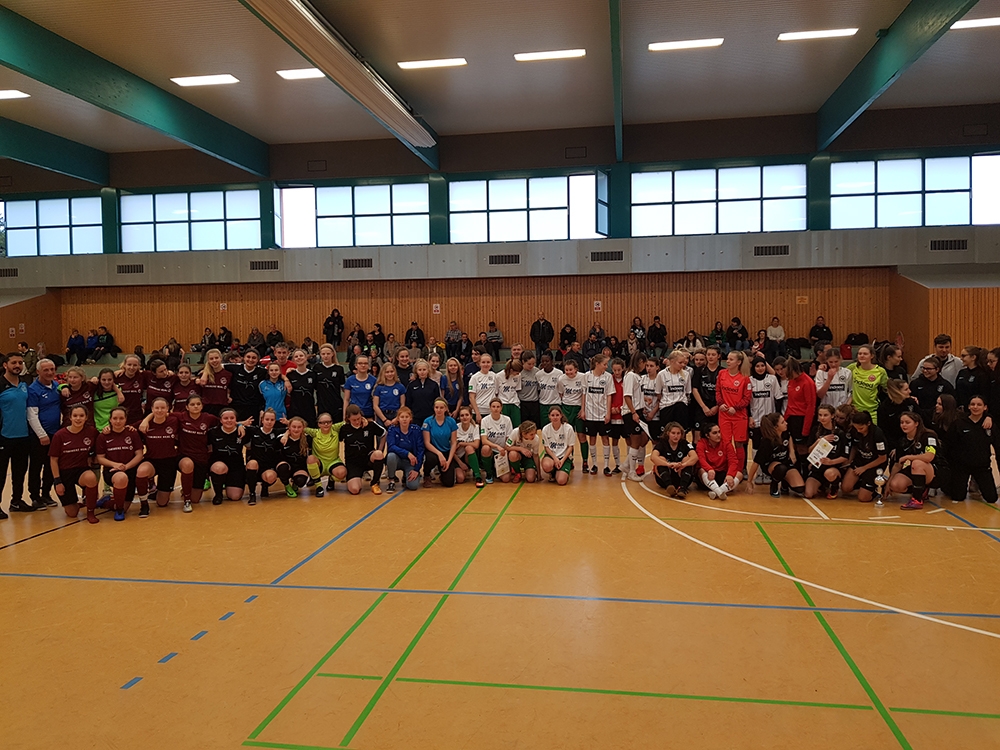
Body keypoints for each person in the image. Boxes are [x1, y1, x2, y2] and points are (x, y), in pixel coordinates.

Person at [97, 407, 152, 521]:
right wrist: (115, 465)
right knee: (121, 477)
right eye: (115, 418)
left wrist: (126, 467)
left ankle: (107, 502)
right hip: (112, 471)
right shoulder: (104, 436)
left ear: (126, 419)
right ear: (110, 419)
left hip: (130, 470)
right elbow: (100, 458)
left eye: (121, 418)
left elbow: (139, 455)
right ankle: (119, 511)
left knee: (125, 505)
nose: (118, 421)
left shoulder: (132, 433)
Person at [48, 405, 100, 522]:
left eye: (81, 416)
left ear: (86, 417)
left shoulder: (91, 432)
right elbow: (53, 460)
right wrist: (57, 482)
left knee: (91, 478)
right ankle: (75, 504)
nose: (78, 418)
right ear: (70, 417)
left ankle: (90, 512)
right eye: (75, 416)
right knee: (72, 513)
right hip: (64, 473)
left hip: (81, 470)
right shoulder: (60, 435)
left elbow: (100, 444)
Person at [0, 352, 37, 516]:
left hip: (23, 436)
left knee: (20, 471)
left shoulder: (25, 383)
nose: (18, 366)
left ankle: (16, 501)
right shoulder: (0, 384)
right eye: (14, 362)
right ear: (5, 365)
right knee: (1, 473)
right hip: (4, 437)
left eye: (20, 363)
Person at [942, 396, 997, 504]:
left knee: (992, 498)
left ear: (985, 407)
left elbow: (997, 445)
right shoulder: (958, 423)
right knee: (957, 497)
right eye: (972, 404)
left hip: (982, 467)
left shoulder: (989, 425)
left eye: (979, 405)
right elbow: (948, 445)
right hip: (961, 466)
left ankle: (975, 484)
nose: (975, 407)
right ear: (968, 406)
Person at [26, 358, 61, 510]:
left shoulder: (57, 386)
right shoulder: (33, 390)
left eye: (52, 369)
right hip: (39, 436)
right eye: (46, 370)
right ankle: (35, 496)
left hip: (55, 434)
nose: (50, 372)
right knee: (36, 466)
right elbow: (31, 415)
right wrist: (41, 434)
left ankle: (46, 493)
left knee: (51, 465)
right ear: (38, 372)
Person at [175, 395, 219, 512]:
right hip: (184, 455)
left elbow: (225, 421)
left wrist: (240, 425)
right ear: (187, 407)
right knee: (188, 464)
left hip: (201, 458)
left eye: (198, 404)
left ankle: (188, 491)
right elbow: (161, 414)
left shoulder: (208, 418)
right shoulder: (180, 416)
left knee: (196, 499)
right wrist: (146, 420)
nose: (195, 406)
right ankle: (186, 501)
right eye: (192, 404)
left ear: (202, 406)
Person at [137, 398, 180, 515]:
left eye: (162, 408)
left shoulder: (174, 420)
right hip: (152, 460)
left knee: (162, 503)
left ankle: (157, 492)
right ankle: (144, 505)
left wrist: (147, 417)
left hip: (169, 462)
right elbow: (126, 429)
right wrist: (108, 428)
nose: (159, 410)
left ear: (168, 409)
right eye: (156, 408)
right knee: (141, 471)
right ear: (152, 409)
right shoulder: (144, 424)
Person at [746, 413, 804, 497]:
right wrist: (749, 481)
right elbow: (756, 462)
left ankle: (784, 484)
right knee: (781, 468)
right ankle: (774, 485)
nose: (786, 423)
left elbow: (789, 437)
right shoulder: (767, 442)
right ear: (776, 427)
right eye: (782, 422)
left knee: (800, 488)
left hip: (785, 462)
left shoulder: (785, 432)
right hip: (771, 465)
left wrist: (792, 451)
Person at [889, 412, 938, 510]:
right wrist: (888, 483)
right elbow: (898, 464)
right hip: (915, 470)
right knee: (895, 485)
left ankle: (917, 500)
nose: (904, 425)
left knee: (917, 462)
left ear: (916, 423)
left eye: (907, 422)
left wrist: (908, 457)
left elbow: (929, 457)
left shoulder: (929, 436)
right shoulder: (902, 441)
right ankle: (921, 490)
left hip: (936, 470)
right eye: (902, 422)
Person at [803, 405, 850, 500]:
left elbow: (845, 456)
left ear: (832, 416)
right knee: (808, 494)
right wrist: (819, 441)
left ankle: (834, 487)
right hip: (818, 468)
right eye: (820, 415)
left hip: (832, 467)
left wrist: (830, 462)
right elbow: (809, 450)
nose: (822, 418)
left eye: (825, 415)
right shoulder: (815, 430)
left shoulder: (840, 433)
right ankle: (823, 485)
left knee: (830, 474)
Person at [841, 411, 888, 503]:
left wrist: (864, 468)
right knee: (846, 488)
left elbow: (883, 458)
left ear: (868, 424)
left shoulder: (877, 434)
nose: (858, 431)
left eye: (861, 428)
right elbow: (854, 447)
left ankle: (877, 487)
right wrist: (849, 461)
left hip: (875, 464)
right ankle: (862, 483)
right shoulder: (854, 431)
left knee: (863, 498)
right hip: (860, 461)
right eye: (856, 428)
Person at [716, 351, 752, 471]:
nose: (728, 361)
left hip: (739, 416)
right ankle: (727, 469)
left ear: (739, 362)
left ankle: (739, 471)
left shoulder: (745, 378)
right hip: (724, 415)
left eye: (731, 359)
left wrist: (735, 408)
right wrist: (721, 404)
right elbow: (718, 391)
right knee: (725, 444)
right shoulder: (722, 373)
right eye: (727, 359)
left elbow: (747, 398)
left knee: (739, 444)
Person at [339, 405, 386, 495]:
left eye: (359, 418)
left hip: (368, 459)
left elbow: (384, 433)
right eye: (354, 420)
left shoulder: (370, 425)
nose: (357, 422)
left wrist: (380, 450)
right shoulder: (344, 428)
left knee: (378, 454)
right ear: (348, 418)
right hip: (353, 463)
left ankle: (375, 483)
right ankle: (354, 478)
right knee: (354, 490)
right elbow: (337, 438)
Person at [581, 354, 615, 476]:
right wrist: (583, 410)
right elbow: (584, 394)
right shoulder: (586, 376)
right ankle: (594, 464)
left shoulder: (608, 377)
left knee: (605, 439)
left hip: (603, 414)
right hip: (590, 413)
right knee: (592, 439)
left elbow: (609, 395)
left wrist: (608, 413)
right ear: (597, 364)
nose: (606, 366)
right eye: (604, 364)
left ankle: (606, 466)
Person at [206, 408, 248, 505]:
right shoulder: (213, 433)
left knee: (235, 497)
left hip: (236, 467)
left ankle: (229, 482)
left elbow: (250, 448)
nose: (229, 420)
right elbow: (208, 450)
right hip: (219, 464)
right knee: (219, 467)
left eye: (232, 418)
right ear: (221, 420)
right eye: (225, 418)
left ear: (236, 420)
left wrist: (240, 425)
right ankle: (218, 494)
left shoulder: (242, 432)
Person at [243, 408, 285, 503]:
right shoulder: (254, 430)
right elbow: (233, 426)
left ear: (275, 421)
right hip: (256, 465)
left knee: (271, 477)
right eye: (267, 419)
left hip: (269, 466)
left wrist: (286, 432)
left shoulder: (277, 432)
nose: (269, 422)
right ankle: (252, 494)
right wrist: (241, 425)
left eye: (272, 420)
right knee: (252, 464)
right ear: (262, 420)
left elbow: (295, 427)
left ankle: (265, 487)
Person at [783, 357, 817, 469]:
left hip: (802, 419)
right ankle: (796, 471)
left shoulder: (808, 382)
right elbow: (790, 402)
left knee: (802, 447)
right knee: (793, 447)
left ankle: (805, 472)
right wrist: (785, 419)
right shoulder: (791, 381)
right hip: (791, 419)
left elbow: (811, 407)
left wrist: (805, 429)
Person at [650, 421, 698, 497]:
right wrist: (668, 464)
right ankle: (669, 486)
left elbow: (695, 457)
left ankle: (682, 488)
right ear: (668, 433)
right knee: (661, 459)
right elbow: (653, 457)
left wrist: (683, 465)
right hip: (665, 477)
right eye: (673, 433)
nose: (676, 436)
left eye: (678, 433)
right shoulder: (662, 443)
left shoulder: (684, 443)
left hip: (681, 475)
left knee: (687, 459)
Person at [696, 423, 742, 500]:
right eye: (715, 433)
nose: (718, 435)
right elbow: (701, 459)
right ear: (707, 435)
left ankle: (716, 492)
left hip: (722, 474)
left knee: (739, 474)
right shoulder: (701, 443)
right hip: (709, 476)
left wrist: (730, 475)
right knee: (701, 470)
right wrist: (709, 469)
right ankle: (720, 492)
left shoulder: (726, 443)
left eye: (719, 432)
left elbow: (733, 461)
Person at [557, 359, 588, 472]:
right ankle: (570, 460)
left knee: (581, 436)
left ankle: (585, 462)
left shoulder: (583, 377)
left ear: (576, 369)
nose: (568, 372)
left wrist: (583, 409)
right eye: (566, 370)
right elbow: (561, 394)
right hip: (566, 408)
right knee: (568, 437)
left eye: (571, 370)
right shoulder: (561, 379)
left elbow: (585, 394)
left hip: (579, 409)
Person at [276, 417, 317, 497]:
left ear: (303, 428)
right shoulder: (282, 438)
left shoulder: (308, 439)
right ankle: (287, 486)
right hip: (287, 466)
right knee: (282, 468)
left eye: (299, 427)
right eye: (294, 427)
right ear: (289, 427)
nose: (296, 429)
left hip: (299, 467)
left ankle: (295, 483)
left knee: (300, 481)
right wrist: (286, 434)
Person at [422, 399, 459, 487]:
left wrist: (449, 461)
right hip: (433, 451)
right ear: (434, 408)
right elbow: (427, 442)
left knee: (449, 483)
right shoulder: (427, 421)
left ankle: (442, 474)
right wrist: (439, 454)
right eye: (436, 407)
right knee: (431, 459)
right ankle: (427, 475)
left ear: (446, 409)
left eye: (441, 408)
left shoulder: (451, 421)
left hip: (446, 451)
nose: (439, 410)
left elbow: (454, 443)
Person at [385, 407, 424, 492]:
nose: (404, 419)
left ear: (410, 418)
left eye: (407, 417)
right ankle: (391, 480)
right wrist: (407, 453)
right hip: (397, 460)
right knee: (391, 456)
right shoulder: (392, 429)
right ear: (398, 419)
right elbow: (391, 446)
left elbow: (420, 450)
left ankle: (406, 476)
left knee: (413, 486)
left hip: (410, 462)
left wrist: (417, 469)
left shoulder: (416, 430)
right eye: (402, 417)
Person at [655, 350, 691, 438]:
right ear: (672, 361)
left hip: (681, 407)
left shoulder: (686, 374)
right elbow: (658, 393)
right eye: (680, 362)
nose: (683, 365)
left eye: (684, 362)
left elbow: (687, 392)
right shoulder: (661, 374)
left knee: (681, 433)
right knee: (666, 434)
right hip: (666, 407)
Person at [846, 345, 887, 422]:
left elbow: (887, 388)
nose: (862, 356)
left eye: (865, 354)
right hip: (855, 409)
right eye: (860, 353)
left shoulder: (880, 371)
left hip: (871, 410)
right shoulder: (852, 367)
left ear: (872, 356)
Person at [223, 349, 266, 423]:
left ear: (258, 360)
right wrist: (204, 374)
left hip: (253, 408)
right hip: (236, 407)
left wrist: (285, 379)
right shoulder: (235, 368)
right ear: (243, 358)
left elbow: (276, 373)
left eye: (254, 358)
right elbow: (216, 366)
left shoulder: (262, 372)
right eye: (248, 357)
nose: (250, 360)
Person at [909, 358, 955, 426]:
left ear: (937, 369)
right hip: (919, 418)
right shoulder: (915, 384)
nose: (925, 371)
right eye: (923, 368)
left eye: (929, 369)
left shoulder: (945, 385)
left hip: (937, 419)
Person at [877, 379, 919, 452]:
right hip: (895, 444)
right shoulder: (884, 408)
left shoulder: (910, 402)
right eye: (906, 389)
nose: (910, 391)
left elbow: (921, 419)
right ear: (896, 392)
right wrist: (894, 447)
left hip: (914, 439)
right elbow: (884, 431)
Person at [748, 357, 780, 452]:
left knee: (771, 445)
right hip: (755, 420)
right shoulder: (749, 380)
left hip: (770, 420)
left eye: (762, 365)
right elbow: (747, 401)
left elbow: (779, 398)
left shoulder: (772, 379)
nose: (760, 368)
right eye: (757, 366)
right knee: (756, 445)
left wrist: (777, 416)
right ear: (753, 367)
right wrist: (749, 416)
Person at [692, 346, 722, 442]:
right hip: (701, 407)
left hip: (717, 408)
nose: (710, 357)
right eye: (708, 354)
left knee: (715, 436)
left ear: (718, 356)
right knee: (698, 438)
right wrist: (703, 407)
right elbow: (695, 389)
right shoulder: (699, 370)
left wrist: (717, 406)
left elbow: (725, 392)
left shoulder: (723, 372)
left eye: (713, 354)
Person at [479, 398, 513, 484]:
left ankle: (496, 469)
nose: (496, 409)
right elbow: (484, 440)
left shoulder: (507, 420)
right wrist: (497, 446)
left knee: (506, 479)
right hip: (491, 450)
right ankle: (489, 473)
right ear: (490, 408)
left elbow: (509, 438)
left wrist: (505, 449)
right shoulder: (485, 420)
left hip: (502, 451)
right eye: (493, 406)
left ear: (501, 408)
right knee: (485, 448)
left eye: (498, 407)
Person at [540, 406, 575, 485]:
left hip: (564, 457)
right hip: (552, 456)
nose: (555, 417)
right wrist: (555, 459)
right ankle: (552, 472)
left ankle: (563, 471)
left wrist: (562, 460)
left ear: (561, 415)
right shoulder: (545, 429)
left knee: (561, 481)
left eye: (557, 415)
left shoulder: (568, 428)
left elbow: (570, 447)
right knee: (546, 466)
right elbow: (546, 447)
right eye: (552, 415)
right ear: (549, 416)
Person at [453, 405, 484, 486]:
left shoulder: (475, 427)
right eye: (462, 415)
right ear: (459, 417)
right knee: (460, 479)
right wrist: (460, 463)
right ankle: (461, 471)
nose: (464, 417)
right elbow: (452, 450)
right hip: (457, 458)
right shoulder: (455, 428)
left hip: (468, 456)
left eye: (467, 415)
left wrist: (462, 443)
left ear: (471, 416)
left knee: (469, 448)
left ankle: (478, 476)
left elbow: (476, 445)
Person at [197, 349, 233, 417]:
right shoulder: (202, 374)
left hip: (222, 407)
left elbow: (229, 388)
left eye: (216, 358)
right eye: (211, 359)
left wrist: (228, 395)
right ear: (208, 360)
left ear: (221, 358)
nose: (214, 360)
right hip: (207, 407)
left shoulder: (228, 374)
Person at [343, 355, 376, 420]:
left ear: (368, 365)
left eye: (365, 363)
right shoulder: (350, 380)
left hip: (369, 414)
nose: (363, 365)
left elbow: (376, 400)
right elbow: (346, 399)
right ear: (356, 365)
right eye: (360, 363)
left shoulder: (374, 380)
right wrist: (344, 416)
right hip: (354, 414)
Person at [373, 362, 405, 428]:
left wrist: (397, 418)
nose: (390, 374)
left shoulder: (400, 387)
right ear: (383, 373)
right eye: (387, 372)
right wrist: (385, 420)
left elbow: (402, 405)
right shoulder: (379, 387)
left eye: (391, 371)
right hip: (382, 416)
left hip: (396, 415)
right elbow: (375, 406)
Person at [468, 353, 498, 422]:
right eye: (483, 362)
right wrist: (477, 413)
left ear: (491, 363)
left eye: (488, 362)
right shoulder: (474, 377)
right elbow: (471, 397)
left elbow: (496, 394)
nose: (486, 364)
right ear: (479, 363)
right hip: (479, 411)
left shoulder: (494, 376)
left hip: (491, 411)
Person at [536, 352, 562, 428]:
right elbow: (538, 389)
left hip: (555, 403)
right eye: (543, 361)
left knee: (556, 425)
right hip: (543, 404)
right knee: (544, 426)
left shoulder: (559, 373)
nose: (545, 363)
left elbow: (561, 389)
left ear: (552, 361)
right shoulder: (538, 374)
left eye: (547, 361)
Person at [495, 357, 523, 427]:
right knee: (504, 426)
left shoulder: (519, 376)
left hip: (514, 403)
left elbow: (517, 389)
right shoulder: (498, 376)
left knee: (516, 426)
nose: (518, 374)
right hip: (503, 403)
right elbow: (496, 392)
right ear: (511, 370)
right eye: (517, 372)